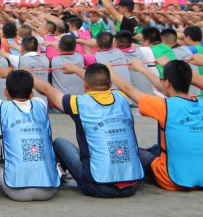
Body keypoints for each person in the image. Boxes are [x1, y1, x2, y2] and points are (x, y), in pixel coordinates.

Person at [33, 63, 144, 198]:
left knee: (59, 142)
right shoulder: (122, 97)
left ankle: (55, 176)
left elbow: (47, 89)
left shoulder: (78, 102)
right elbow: (98, 82)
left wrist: (27, 73)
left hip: (98, 186)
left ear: (85, 84)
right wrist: (76, 69)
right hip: (132, 184)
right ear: (110, 84)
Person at [109, 60, 203, 190]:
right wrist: (142, 69)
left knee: (134, 152)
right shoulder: (200, 103)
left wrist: (109, 69)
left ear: (167, 82)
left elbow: (127, 89)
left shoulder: (164, 106)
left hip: (172, 179)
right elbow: (169, 90)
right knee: (156, 149)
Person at [0, 69, 60, 201]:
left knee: (1, 145)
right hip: (49, 189)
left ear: (6, 92)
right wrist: (25, 72)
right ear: (31, 94)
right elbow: (45, 88)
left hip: (14, 190)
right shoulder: (41, 104)